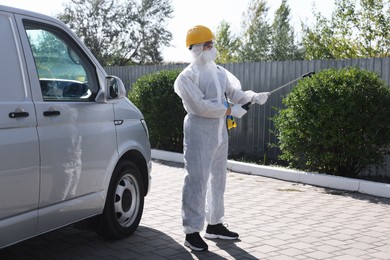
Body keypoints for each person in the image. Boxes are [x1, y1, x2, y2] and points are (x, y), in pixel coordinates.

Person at [174, 25, 270, 252]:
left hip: (218, 132)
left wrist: (253, 96)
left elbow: (235, 93)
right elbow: (199, 106)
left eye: (212, 44)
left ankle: (214, 224)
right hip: (199, 132)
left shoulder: (219, 72)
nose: (212, 48)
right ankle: (191, 232)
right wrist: (229, 110)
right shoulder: (186, 77)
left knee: (218, 179)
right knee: (197, 179)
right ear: (196, 48)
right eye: (207, 45)